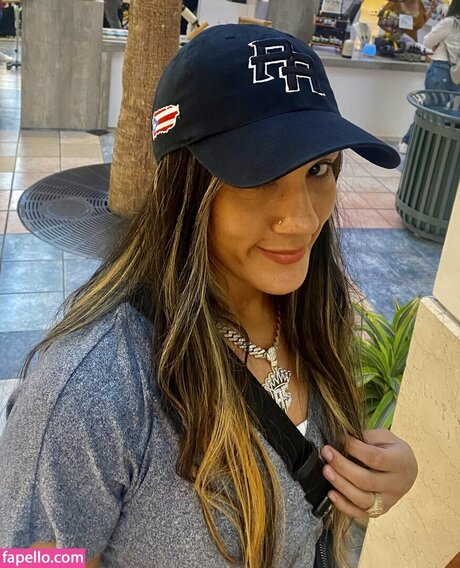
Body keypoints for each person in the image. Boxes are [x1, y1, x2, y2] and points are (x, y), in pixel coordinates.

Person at [0, 24, 418, 568]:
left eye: (318, 169)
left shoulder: (314, 307)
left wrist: (377, 482)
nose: (303, 219)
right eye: (260, 175)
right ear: (184, 187)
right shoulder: (93, 390)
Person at [399, 0, 460, 153]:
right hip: (456, 71)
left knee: (430, 109)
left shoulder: (450, 22)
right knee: (444, 111)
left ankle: (409, 142)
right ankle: (430, 146)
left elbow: (427, 41)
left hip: (442, 68)